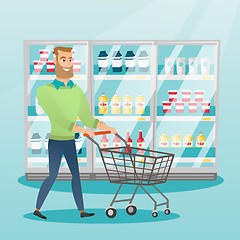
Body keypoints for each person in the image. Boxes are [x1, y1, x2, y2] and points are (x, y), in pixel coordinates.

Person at [33, 46, 116, 219]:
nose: (67, 63)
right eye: (63, 59)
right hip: (56, 141)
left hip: (70, 142)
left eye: (70, 60)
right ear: (55, 61)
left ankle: (82, 211)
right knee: (52, 175)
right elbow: (59, 119)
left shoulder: (77, 91)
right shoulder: (44, 90)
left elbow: (87, 118)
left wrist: (106, 127)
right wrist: (83, 130)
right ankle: (38, 209)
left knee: (76, 176)